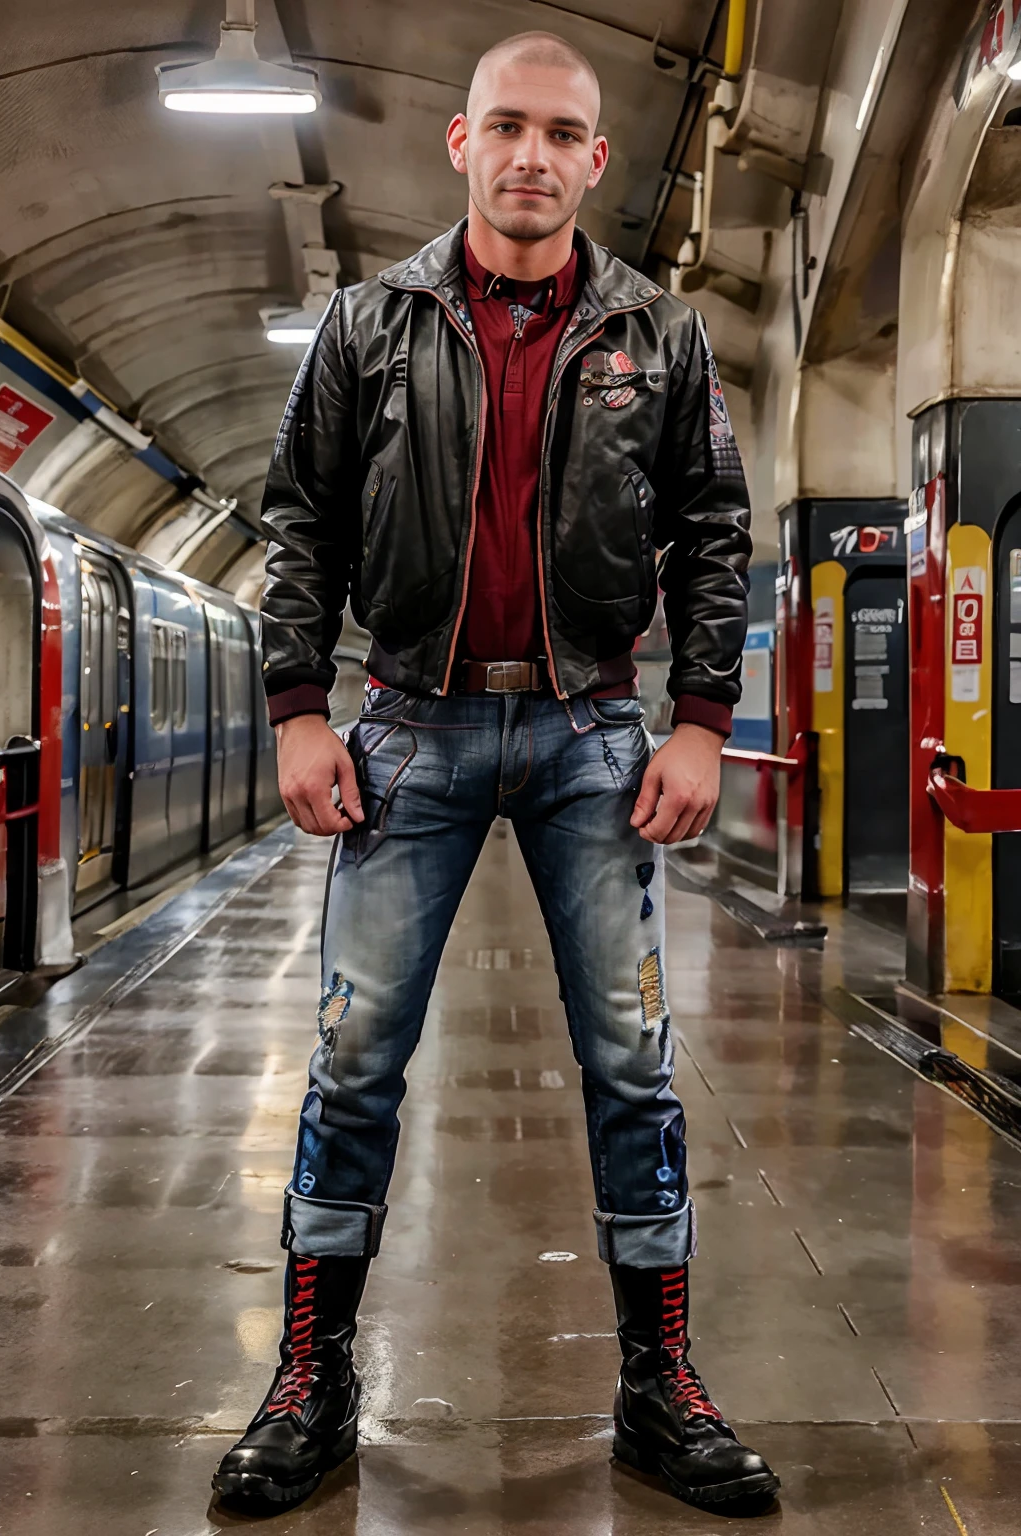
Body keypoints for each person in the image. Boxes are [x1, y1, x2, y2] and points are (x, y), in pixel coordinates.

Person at [213, 29, 780, 1515]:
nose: (532, 155)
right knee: (352, 1058)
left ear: (598, 160)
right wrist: (296, 708)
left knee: (632, 1064)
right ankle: (311, 1376)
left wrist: (704, 719)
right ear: (459, 146)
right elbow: (303, 522)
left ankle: (660, 1385)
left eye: (561, 134)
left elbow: (716, 534)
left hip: (595, 730)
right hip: (410, 723)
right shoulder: (366, 326)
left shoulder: (659, 336)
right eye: (506, 128)